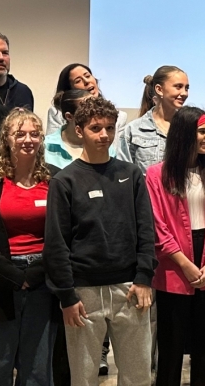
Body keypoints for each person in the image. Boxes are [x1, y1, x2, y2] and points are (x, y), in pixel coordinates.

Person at [44, 97, 156, 386]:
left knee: (138, 376)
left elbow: (146, 228)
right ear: (79, 131)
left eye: (109, 127)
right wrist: (67, 296)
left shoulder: (131, 174)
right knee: (83, 377)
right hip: (83, 293)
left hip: (130, 288)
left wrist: (144, 277)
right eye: (95, 128)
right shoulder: (64, 181)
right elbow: (56, 242)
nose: (104, 135)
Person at [147, 106, 205, 386]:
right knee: (171, 347)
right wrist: (185, 263)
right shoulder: (156, 174)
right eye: (202, 131)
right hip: (174, 264)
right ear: (184, 135)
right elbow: (158, 227)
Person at [0, 109, 61, 386]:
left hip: (42, 280)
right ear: (7, 139)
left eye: (34, 134)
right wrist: (12, 275)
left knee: (37, 369)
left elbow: (64, 234)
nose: (28, 139)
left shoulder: (55, 180)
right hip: (0, 279)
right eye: (20, 133)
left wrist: (35, 273)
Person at [116, 65, 189, 169]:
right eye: (178, 86)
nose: (184, 93)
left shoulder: (189, 127)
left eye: (186, 88)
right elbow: (124, 172)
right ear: (159, 89)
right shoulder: (134, 130)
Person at [44, 90, 119, 169]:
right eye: (86, 109)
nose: (95, 112)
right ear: (69, 117)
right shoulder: (46, 146)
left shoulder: (105, 146)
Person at [45, 63, 127, 134]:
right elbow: (51, 147)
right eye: (78, 81)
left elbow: (117, 150)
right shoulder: (57, 113)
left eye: (88, 76)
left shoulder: (120, 117)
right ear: (70, 90)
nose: (86, 81)